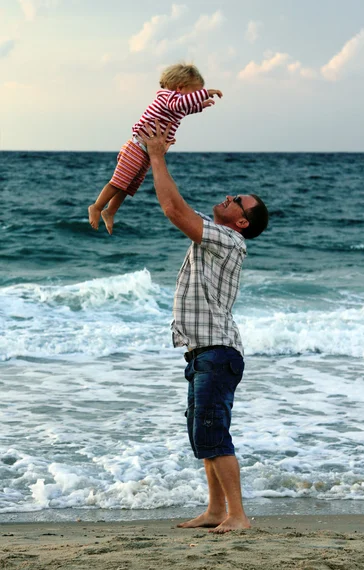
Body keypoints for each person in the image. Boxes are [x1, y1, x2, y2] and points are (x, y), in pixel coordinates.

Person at [137, 121, 269, 534]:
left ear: (242, 222)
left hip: (217, 352)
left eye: (237, 201)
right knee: (204, 435)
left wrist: (157, 156)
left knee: (213, 434)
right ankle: (215, 511)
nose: (228, 197)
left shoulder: (229, 241)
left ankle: (238, 516)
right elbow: (179, 208)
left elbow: (174, 210)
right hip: (203, 353)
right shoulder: (215, 238)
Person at [88, 63, 222, 235]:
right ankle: (97, 206)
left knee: (127, 186)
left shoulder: (175, 104)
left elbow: (184, 109)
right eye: (194, 94)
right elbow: (180, 105)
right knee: (118, 182)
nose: (196, 98)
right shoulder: (167, 98)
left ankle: (110, 211)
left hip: (146, 152)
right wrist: (206, 92)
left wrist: (200, 106)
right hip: (137, 147)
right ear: (179, 88)